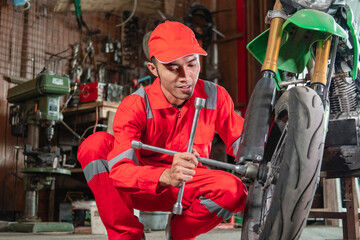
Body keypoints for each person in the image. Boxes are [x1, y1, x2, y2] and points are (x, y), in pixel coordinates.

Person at [77, 20, 247, 240]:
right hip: (141, 186)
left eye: (192, 64)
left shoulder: (215, 96)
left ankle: (180, 233)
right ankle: (127, 236)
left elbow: (244, 144)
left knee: (234, 191)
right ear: (153, 69)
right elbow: (119, 171)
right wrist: (165, 175)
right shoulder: (136, 104)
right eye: (173, 67)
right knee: (95, 145)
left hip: (189, 182)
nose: (186, 76)